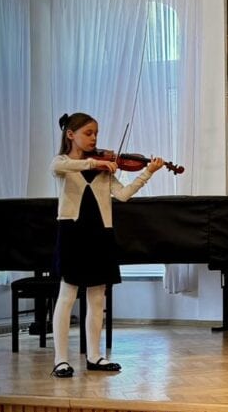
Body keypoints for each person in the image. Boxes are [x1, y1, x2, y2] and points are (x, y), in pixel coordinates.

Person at [49, 113, 164, 378]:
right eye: (88, 133)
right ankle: (60, 360)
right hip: (72, 233)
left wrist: (148, 172)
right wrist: (95, 162)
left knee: (97, 297)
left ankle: (94, 356)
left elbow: (122, 195)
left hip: (100, 233)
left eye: (96, 133)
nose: (94, 138)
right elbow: (58, 167)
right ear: (71, 135)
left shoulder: (103, 170)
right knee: (67, 295)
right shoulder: (63, 163)